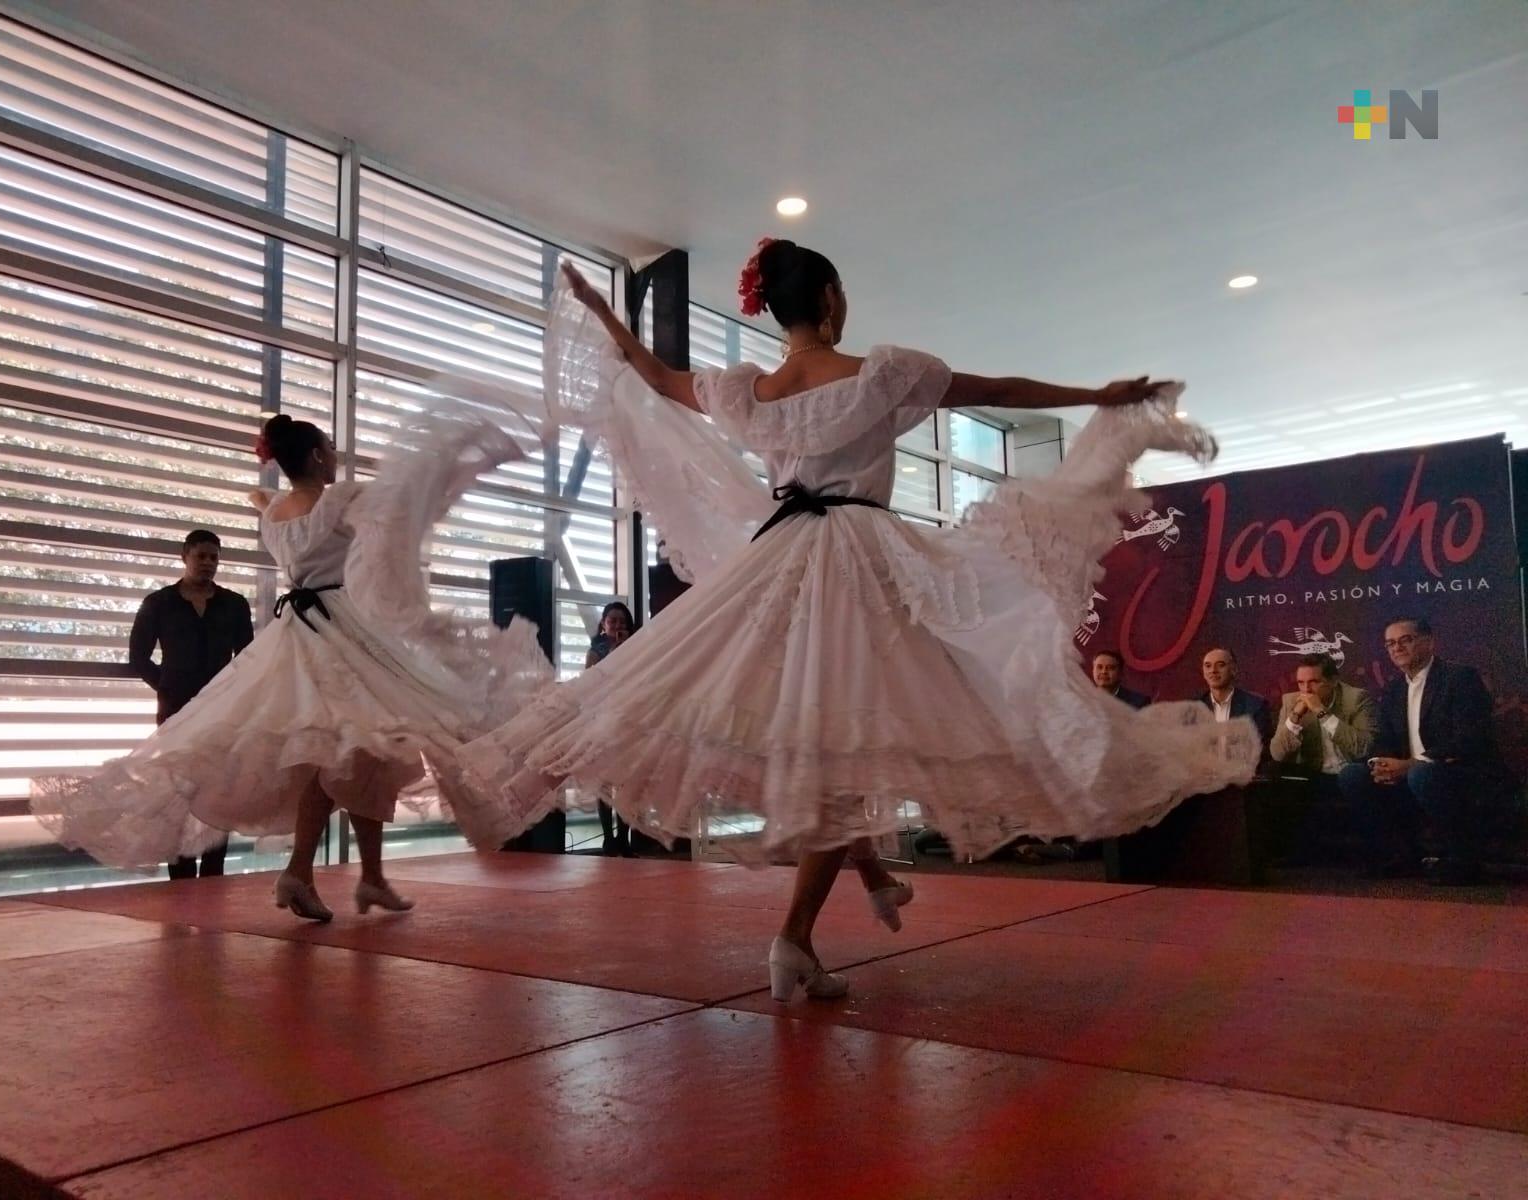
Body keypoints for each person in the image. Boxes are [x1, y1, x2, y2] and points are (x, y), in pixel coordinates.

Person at [455, 240, 1256, 1002]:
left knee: (825, 735)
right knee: (856, 732)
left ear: (777, 312)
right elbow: (1001, 392)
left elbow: (661, 379)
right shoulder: (882, 377)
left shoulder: (746, 394)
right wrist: (1096, 396)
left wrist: (603, 310)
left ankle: (861, 887)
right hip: (859, 557)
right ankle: (796, 936)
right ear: (832, 300)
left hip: (783, 559)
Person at [34, 406, 550, 919]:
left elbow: (271, 499)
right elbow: (402, 501)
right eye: (328, 449)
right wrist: (455, 456)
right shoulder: (340, 500)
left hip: (300, 633)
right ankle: (316, 873)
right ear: (315, 455)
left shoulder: (273, 516)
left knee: (361, 753)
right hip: (342, 632)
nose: (334, 458)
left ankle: (355, 876)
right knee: (358, 749)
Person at [1338, 617, 1513, 885]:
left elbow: (1470, 739)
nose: (1396, 648)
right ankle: (1399, 856)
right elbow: (1384, 738)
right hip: (1412, 773)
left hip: (1463, 772)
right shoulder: (1395, 688)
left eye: (1405, 640)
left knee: (1422, 774)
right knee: (1352, 775)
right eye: (1390, 644)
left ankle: (1463, 861)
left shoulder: (1459, 678)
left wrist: (1412, 764)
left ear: (1429, 642)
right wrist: (1379, 763)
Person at [128, 529, 254, 879]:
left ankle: (214, 872)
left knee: (219, 791)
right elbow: (138, 657)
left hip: (222, 712)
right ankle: (180, 873)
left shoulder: (234, 605)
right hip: (176, 712)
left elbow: (248, 658)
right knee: (178, 793)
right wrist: (167, 686)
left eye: (215, 558)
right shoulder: (159, 603)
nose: (209, 564)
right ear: (185, 556)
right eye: (202, 556)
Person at [1269, 652, 1375, 863]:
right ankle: (1289, 854)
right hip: (1315, 773)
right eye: (1301, 683)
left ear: (1333, 681)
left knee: (1352, 775)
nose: (1306, 690)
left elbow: (1363, 748)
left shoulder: (1356, 699)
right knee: (1275, 772)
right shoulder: (1291, 701)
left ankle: (1375, 855)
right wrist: (1294, 717)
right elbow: (1277, 753)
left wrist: (1321, 712)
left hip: (1349, 771)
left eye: (1314, 682)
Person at [585, 601, 636, 856]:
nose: (617, 624)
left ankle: (623, 839)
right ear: (603, 624)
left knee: (627, 781)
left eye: (621, 621)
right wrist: (615, 648)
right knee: (604, 781)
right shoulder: (596, 649)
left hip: (628, 718)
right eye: (612, 620)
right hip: (602, 719)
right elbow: (591, 679)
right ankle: (608, 839)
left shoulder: (638, 648)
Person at [1194, 647, 1269, 759]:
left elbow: (1259, 752)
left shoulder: (1256, 706)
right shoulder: (1195, 707)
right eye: (1208, 666)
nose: (1213, 670)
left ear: (1233, 669)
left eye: (1220, 665)